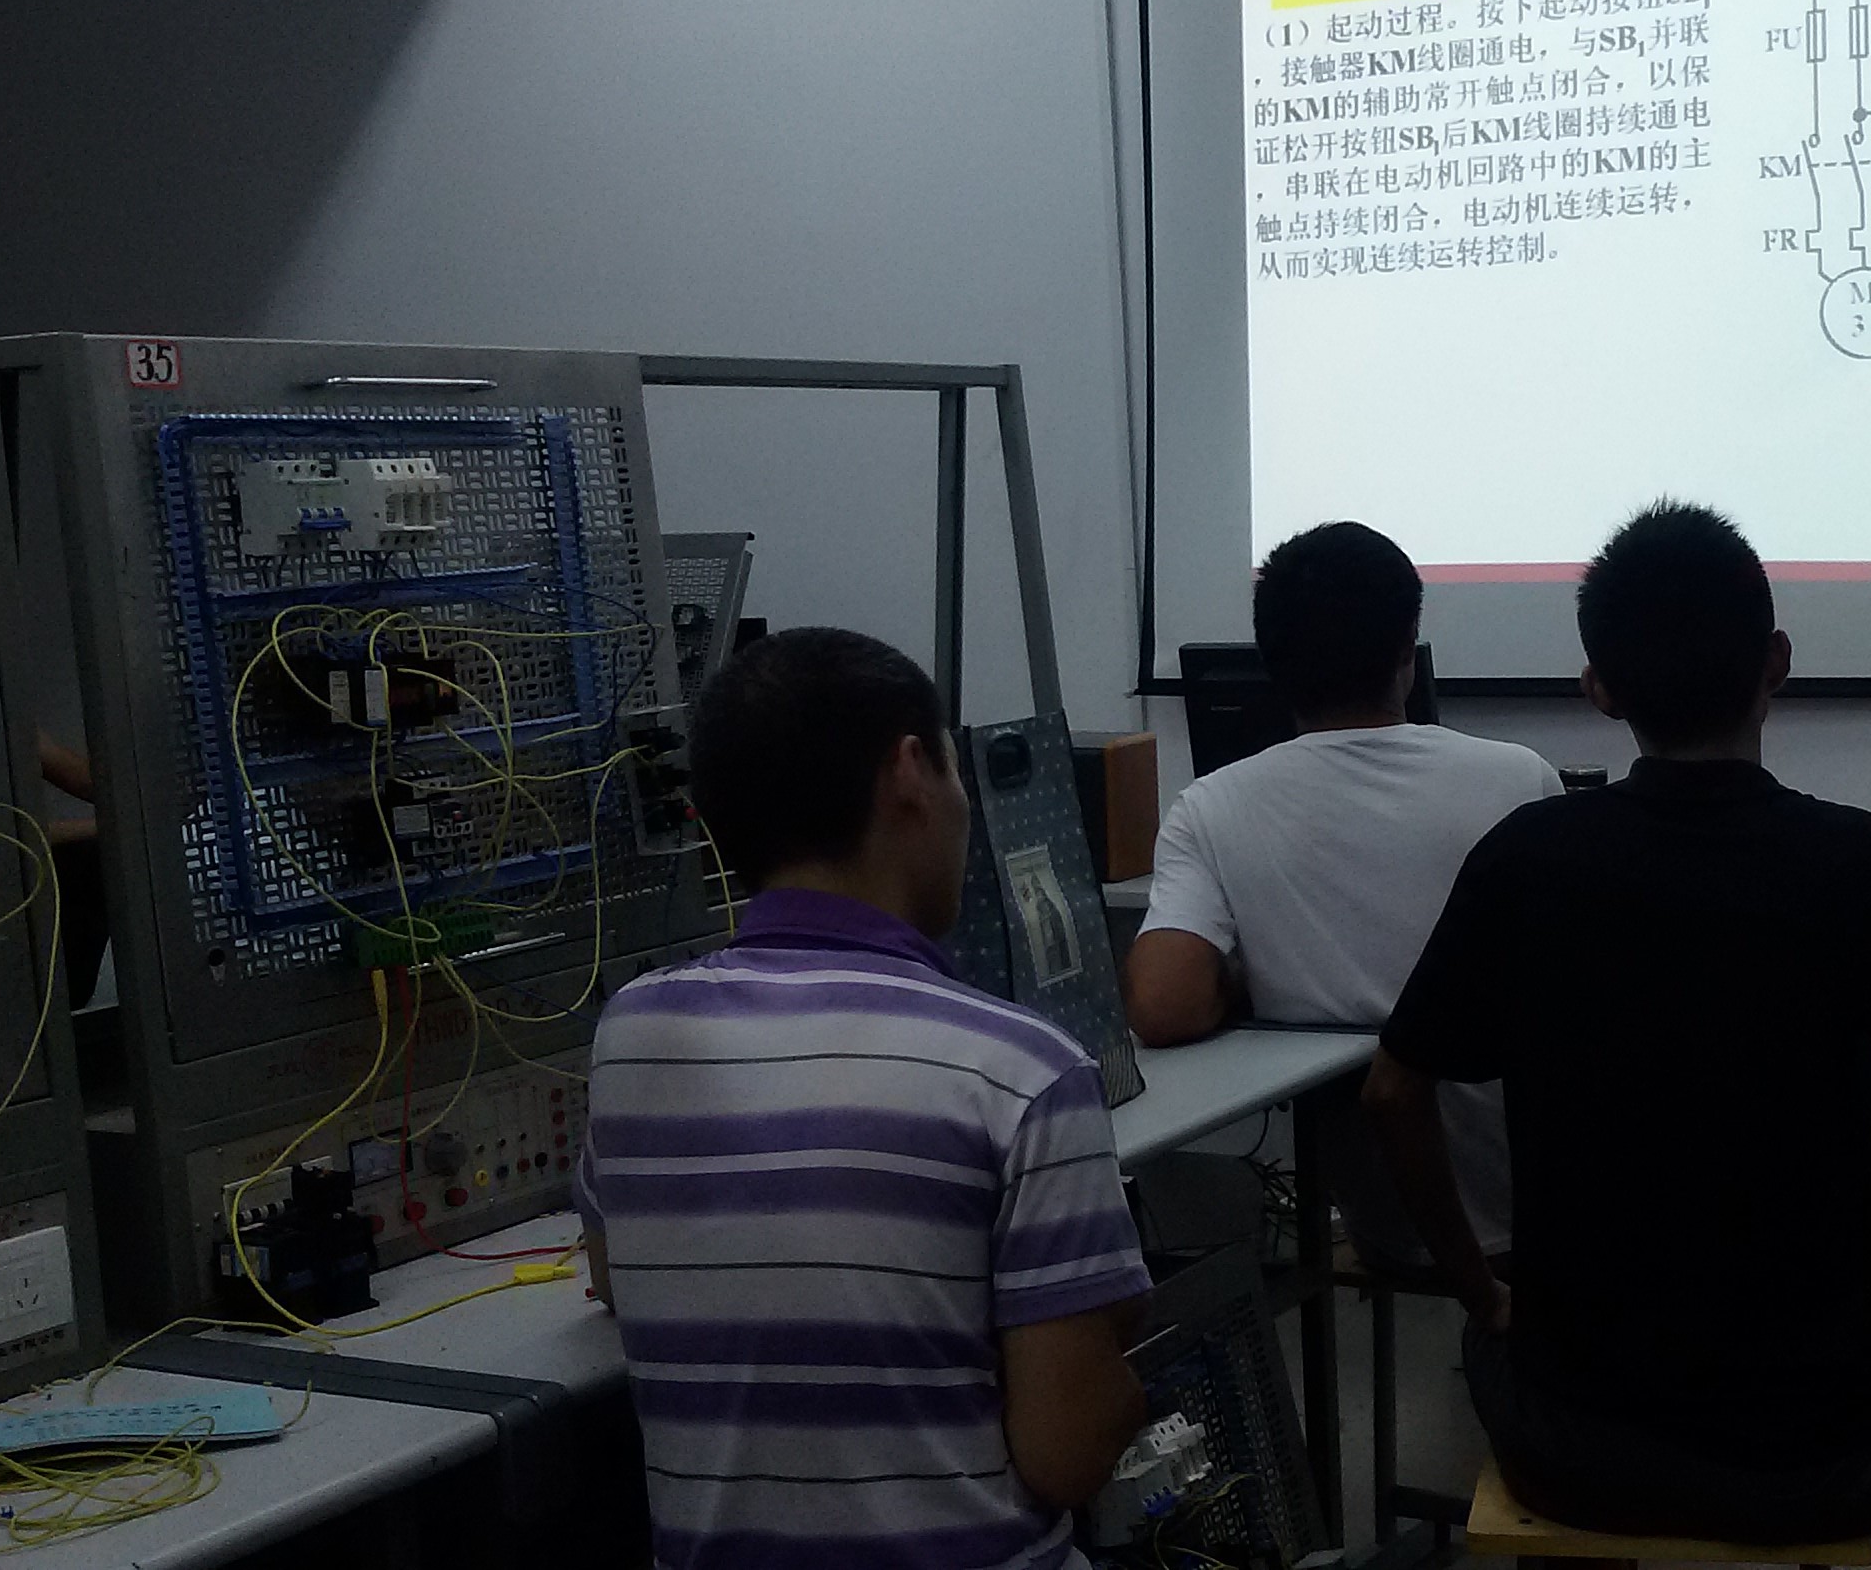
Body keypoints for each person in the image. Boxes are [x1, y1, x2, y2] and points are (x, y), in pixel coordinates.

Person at [1368, 503, 1871, 1568]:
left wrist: (1484, 1292)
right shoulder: (1868, 869)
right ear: (1776, 661)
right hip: (1815, 1443)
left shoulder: (1525, 858)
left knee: (1498, 1346)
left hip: (1568, 1435)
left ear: (1599, 690)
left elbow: (1393, 1092)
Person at [577, 627, 1152, 1570]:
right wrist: (1121, 1365)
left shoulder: (633, 1034)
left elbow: (612, 1277)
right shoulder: (1024, 1071)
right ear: (911, 773)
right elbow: (1066, 1455)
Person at [1123, 520, 1558, 1263]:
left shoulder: (1213, 807)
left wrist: (1259, 977)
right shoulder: (1519, 779)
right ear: (1408, 646)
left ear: (1269, 656)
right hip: (1533, 1203)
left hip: (1378, 1216)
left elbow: (1164, 1006)